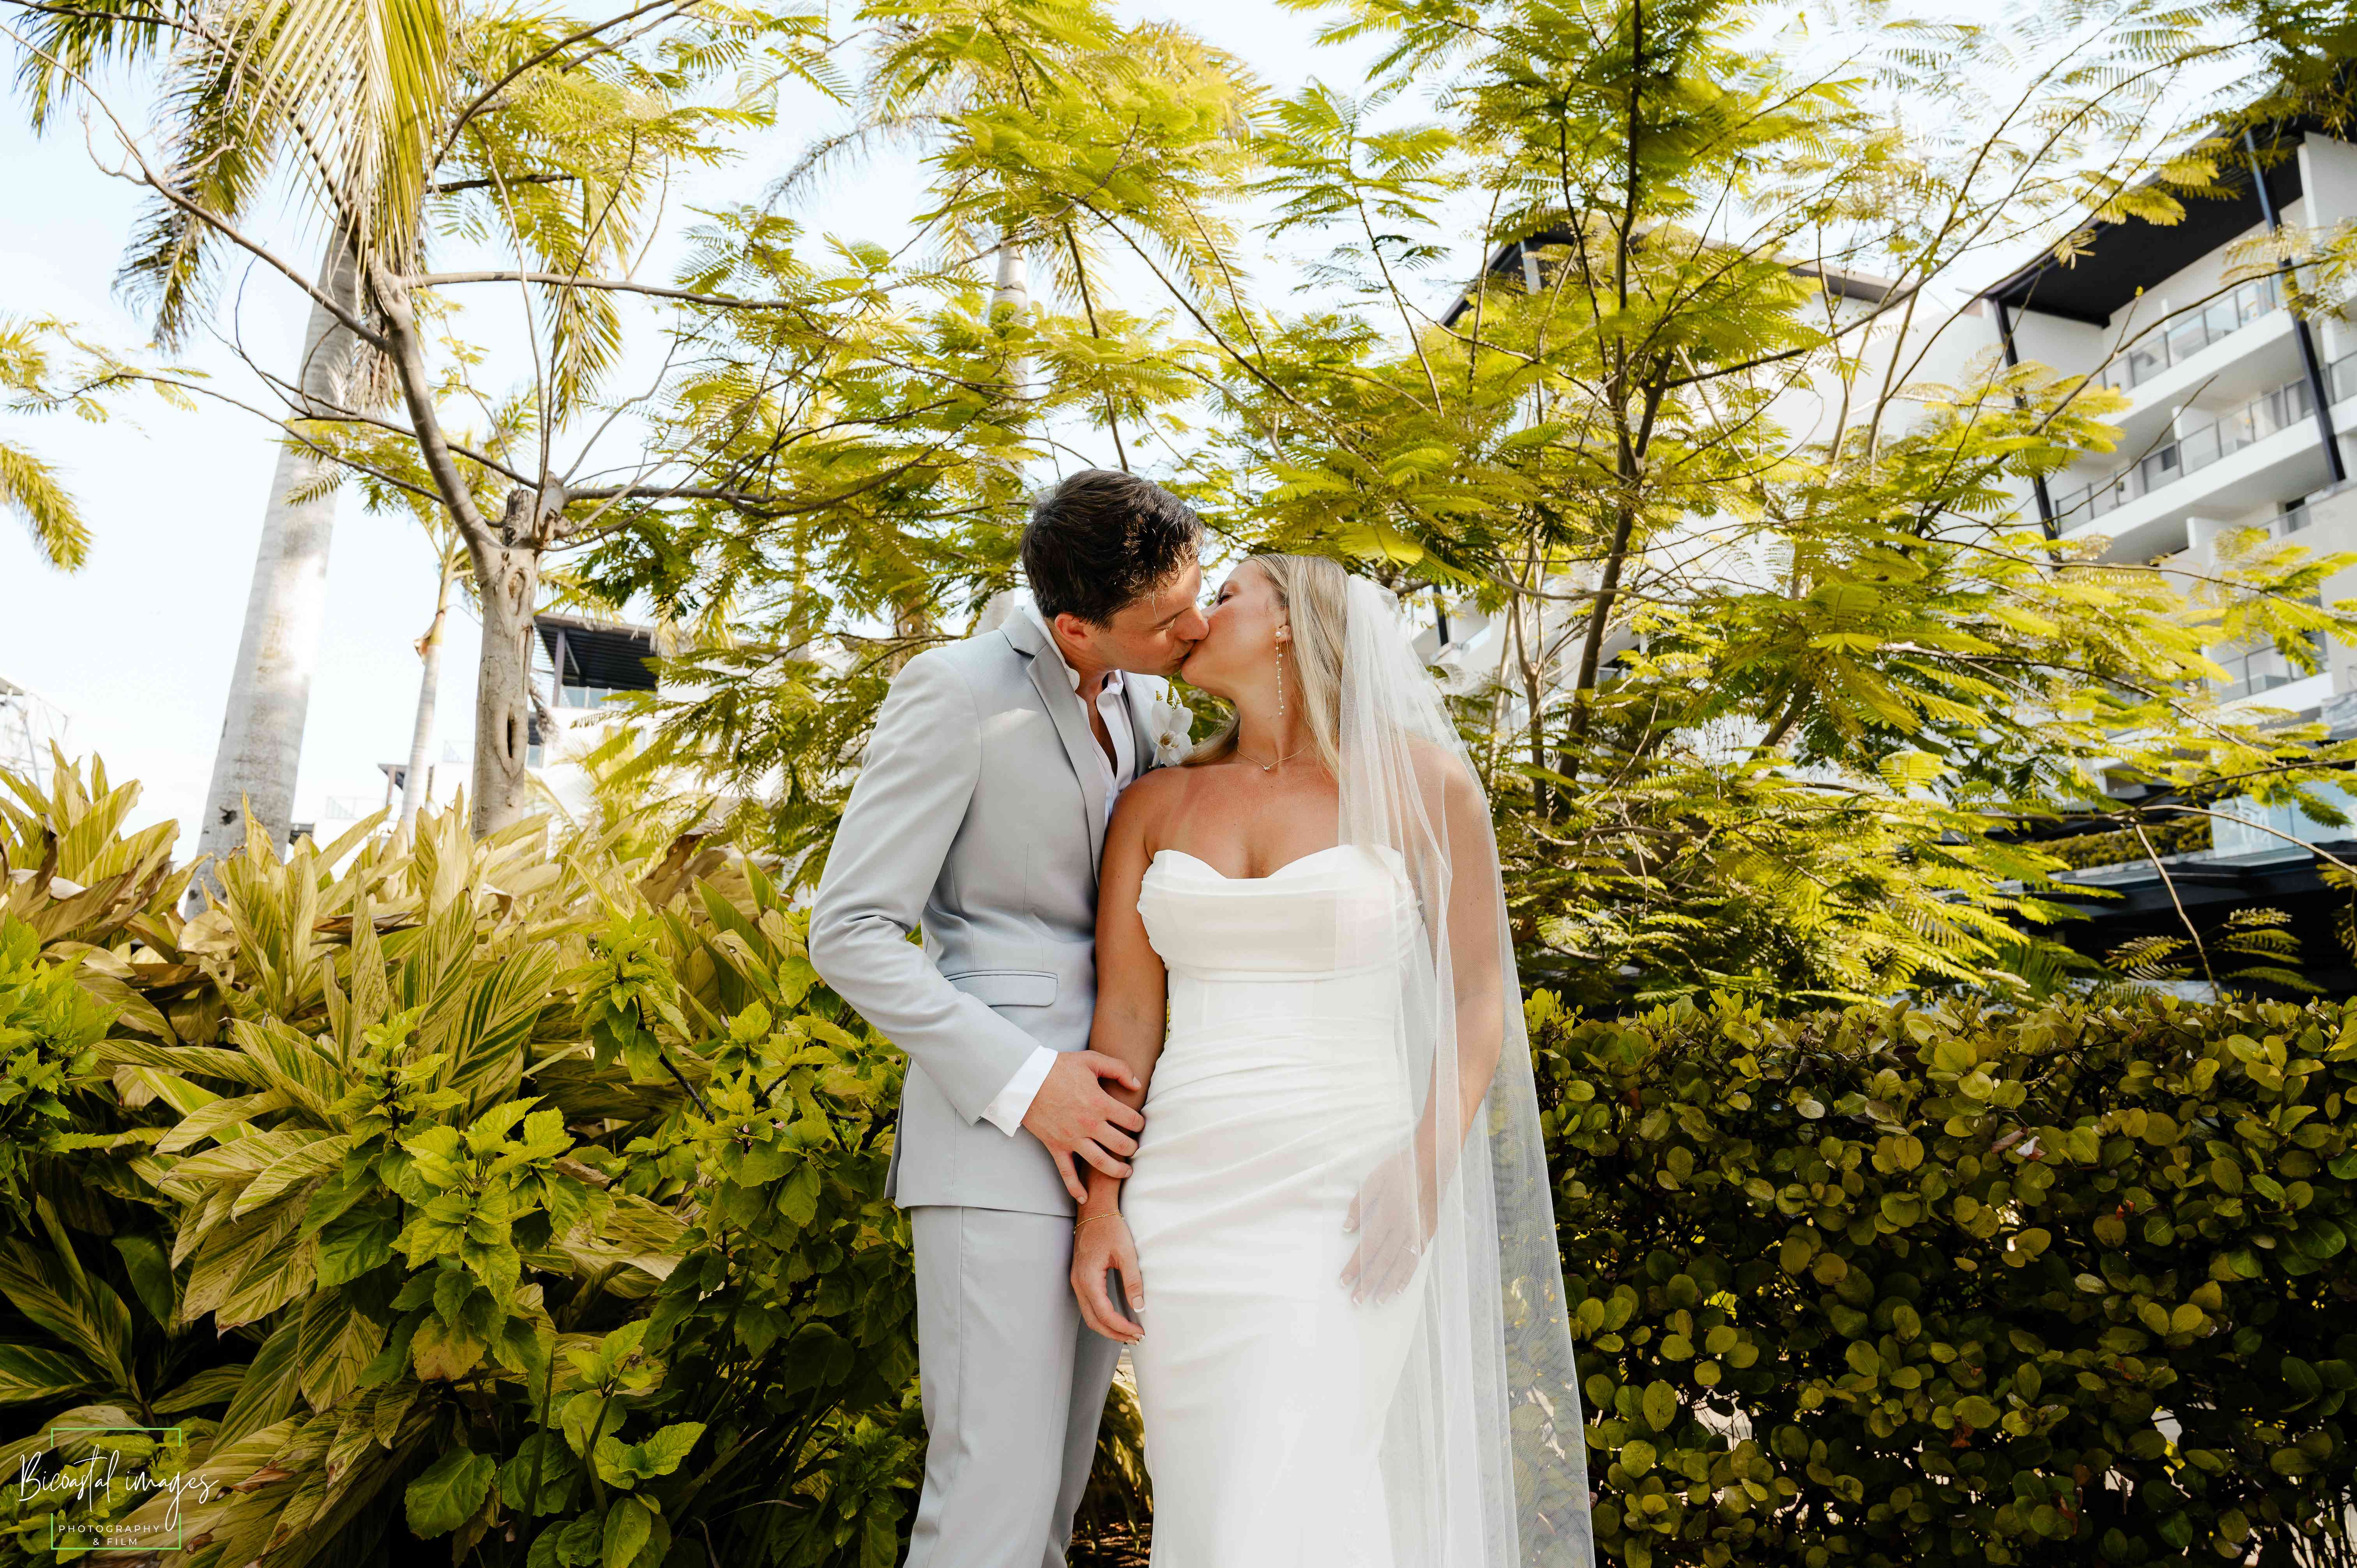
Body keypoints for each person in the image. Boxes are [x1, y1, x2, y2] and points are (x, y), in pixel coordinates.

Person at [1068, 555, 1596, 1567]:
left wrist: (1426, 1161)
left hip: (1351, 1190)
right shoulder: (1155, 806)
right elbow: (1127, 1021)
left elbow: (1481, 996)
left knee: (1302, 1484)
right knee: (1217, 1509)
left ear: (1287, 625)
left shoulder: (1425, 787)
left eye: (1224, 595)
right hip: (1184, 1205)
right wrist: (1102, 1204)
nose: (1196, 616)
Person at [809, 470, 1210, 1568]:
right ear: (1075, 626)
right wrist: (1032, 1083)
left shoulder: (1148, 696)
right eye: (1167, 618)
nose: (1197, 626)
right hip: (995, 1142)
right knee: (990, 1499)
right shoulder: (954, 693)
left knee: (1052, 1508)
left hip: (1116, 1152)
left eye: (1197, 593)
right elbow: (846, 931)